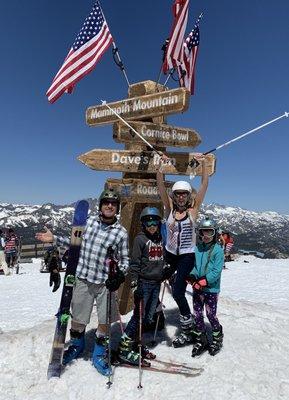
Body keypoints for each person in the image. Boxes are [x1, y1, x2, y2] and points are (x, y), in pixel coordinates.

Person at [35, 189, 129, 376]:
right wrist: (54, 238)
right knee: (78, 318)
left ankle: (100, 352)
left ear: (117, 208)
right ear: (101, 205)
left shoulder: (121, 233)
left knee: (104, 320)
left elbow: (125, 260)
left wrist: (119, 275)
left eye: (113, 203)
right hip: (83, 278)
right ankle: (77, 345)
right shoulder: (90, 222)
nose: (109, 205)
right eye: (106, 202)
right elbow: (74, 241)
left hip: (105, 283)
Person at [156, 153, 209, 347]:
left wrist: (203, 164)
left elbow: (204, 184)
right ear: (174, 196)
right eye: (177, 194)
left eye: (184, 194)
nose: (180, 197)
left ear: (188, 196)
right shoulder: (169, 209)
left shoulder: (193, 211)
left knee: (178, 291)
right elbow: (160, 185)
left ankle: (188, 326)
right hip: (170, 254)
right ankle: (154, 314)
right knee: (154, 279)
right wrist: (160, 167)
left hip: (187, 256)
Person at [118, 206, 171, 365]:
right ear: (143, 225)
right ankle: (124, 348)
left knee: (148, 317)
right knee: (138, 316)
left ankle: (136, 344)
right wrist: (136, 286)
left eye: (154, 222)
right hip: (144, 283)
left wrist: (165, 270)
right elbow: (134, 265)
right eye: (148, 223)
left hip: (156, 283)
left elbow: (164, 256)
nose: (152, 226)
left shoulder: (161, 238)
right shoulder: (140, 239)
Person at [188, 218, 224, 357]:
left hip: (211, 289)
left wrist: (203, 281)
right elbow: (196, 267)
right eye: (204, 232)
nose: (206, 236)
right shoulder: (198, 248)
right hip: (198, 287)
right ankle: (201, 338)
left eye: (210, 232)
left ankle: (217, 336)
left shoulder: (217, 250)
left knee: (210, 314)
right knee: (197, 314)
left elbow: (216, 271)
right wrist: (192, 276)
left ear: (215, 233)